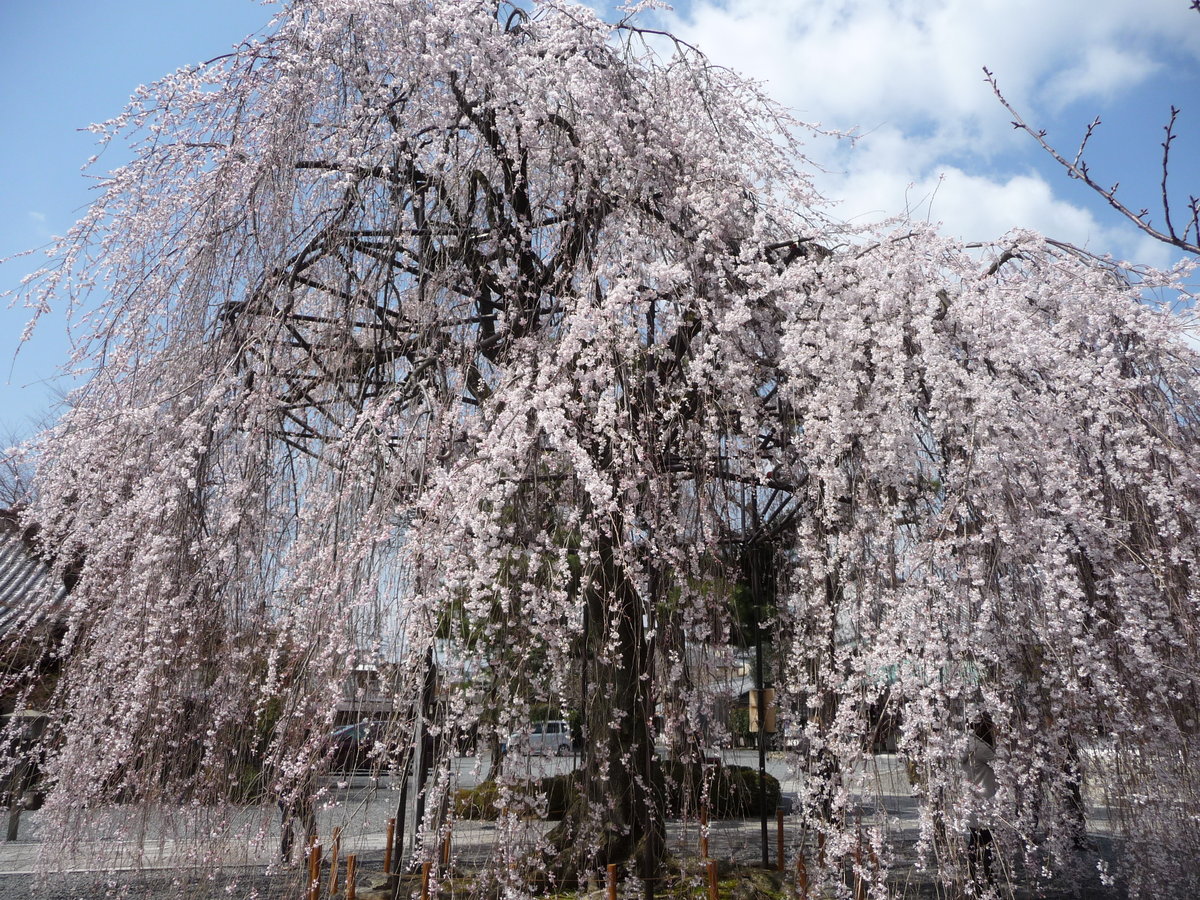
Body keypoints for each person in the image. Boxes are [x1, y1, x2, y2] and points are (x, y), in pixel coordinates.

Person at [959, 715, 997, 889]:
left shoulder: (966, 745)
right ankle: (987, 879)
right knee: (987, 842)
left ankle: (975, 878)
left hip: (973, 801)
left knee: (975, 840)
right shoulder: (980, 747)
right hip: (984, 802)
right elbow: (1003, 762)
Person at [278, 766, 318, 864]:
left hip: (299, 794)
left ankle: (310, 855)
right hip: (288, 794)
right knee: (289, 826)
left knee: (310, 825)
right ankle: (287, 858)